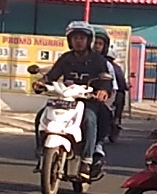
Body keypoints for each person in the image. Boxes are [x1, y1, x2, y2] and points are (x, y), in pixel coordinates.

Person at [32, 21, 110, 170]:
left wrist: (103, 91)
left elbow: (106, 81)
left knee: (90, 119)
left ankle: (87, 159)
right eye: (75, 38)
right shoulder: (66, 58)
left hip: (88, 100)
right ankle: (41, 152)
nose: (78, 41)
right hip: (66, 100)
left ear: (88, 40)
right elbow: (52, 75)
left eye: (82, 38)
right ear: (70, 40)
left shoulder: (98, 60)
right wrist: (41, 83)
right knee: (42, 115)